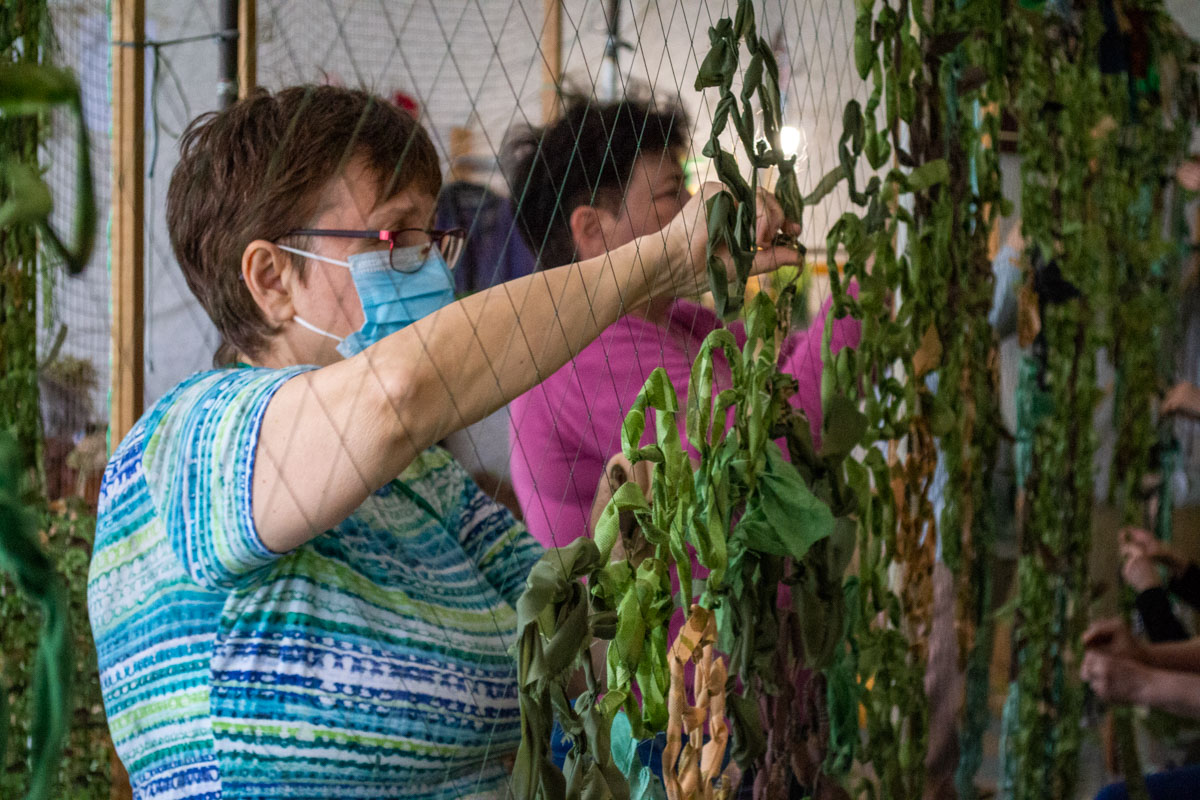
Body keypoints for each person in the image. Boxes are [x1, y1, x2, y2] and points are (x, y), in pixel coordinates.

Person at [85, 85, 799, 799]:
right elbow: (395, 396)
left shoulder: (423, 483)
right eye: (397, 239)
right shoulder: (187, 446)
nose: (433, 268)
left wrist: (623, 538)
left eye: (435, 237)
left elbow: (556, 651)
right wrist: (653, 262)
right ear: (272, 279)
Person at [503, 94, 860, 550]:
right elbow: (767, 454)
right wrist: (857, 294)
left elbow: (782, 373)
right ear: (592, 230)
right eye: (673, 193)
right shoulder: (580, 354)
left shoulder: (675, 319)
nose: (697, 209)